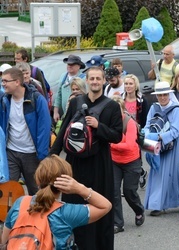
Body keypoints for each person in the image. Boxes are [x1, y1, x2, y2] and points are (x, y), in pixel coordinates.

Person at [50, 66, 123, 250]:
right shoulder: (76, 102)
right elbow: (63, 130)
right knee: (72, 207)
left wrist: (99, 126)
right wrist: (52, 156)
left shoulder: (112, 106)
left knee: (100, 208)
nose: (95, 82)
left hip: (100, 165)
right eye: (92, 79)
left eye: (98, 79)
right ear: (87, 80)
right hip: (75, 164)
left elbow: (117, 136)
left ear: (104, 81)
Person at [1, 155, 112, 249]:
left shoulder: (20, 203)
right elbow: (105, 206)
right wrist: (80, 188)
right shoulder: (65, 212)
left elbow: (4, 240)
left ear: (37, 179)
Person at [143, 81, 179, 216]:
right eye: (159, 95)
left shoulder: (176, 109)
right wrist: (148, 136)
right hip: (157, 141)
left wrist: (158, 137)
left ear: (169, 94)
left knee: (178, 172)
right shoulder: (154, 107)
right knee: (158, 171)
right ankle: (157, 204)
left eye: (165, 94)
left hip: (176, 143)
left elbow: (175, 131)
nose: (162, 98)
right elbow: (147, 125)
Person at [0, 68, 51, 195]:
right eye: (2, 81)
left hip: (32, 154)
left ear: (17, 82)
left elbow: (44, 129)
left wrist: (42, 156)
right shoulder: (5, 100)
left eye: (6, 81)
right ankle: (10, 215)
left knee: (36, 190)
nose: (2, 84)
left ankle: (37, 214)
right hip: (11, 152)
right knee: (6, 189)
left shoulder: (37, 99)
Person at [109, 96, 145, 234]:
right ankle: (118, 223)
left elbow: (129, 145)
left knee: (129, 191)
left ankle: (139, 210)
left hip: (132, 161)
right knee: (114, 192)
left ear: (122, 109)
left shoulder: (129, 123)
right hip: (114, 161)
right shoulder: (108, 122)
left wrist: (110, 144)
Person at [122, 74, 149, 189]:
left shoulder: (142, 100)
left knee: (136, 156)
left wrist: (142, 131)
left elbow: (146, 118)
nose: (128, 86)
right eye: (126, 84)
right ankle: (138, 173)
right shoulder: (121, 99)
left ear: (136, 85)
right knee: (124, 156)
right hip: (122, 132)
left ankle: (139, 173)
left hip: (137, 132)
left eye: (130, 84)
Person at [53, 55, 86, 122]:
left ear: (79, 66)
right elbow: (58, 95)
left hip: (78, 115)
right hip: (65, 115)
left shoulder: (84, 78)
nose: (69, 66)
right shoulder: (63, 76)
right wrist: (55, 112)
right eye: (68, 64)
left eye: (72, 64)